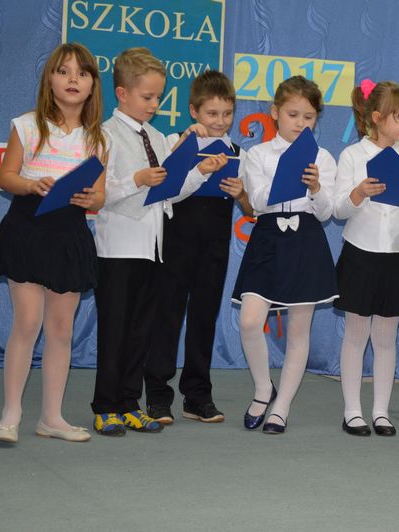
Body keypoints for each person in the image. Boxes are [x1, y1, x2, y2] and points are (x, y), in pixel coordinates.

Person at [91, 47, 227, 437]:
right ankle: (105, 406)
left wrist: (200, 171)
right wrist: (136, 179)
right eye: (147, 97)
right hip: (118, 248)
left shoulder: (155, 137)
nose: (154, 104)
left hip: (153, 248)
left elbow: (171, 191)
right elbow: (99, 194)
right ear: (121, 94)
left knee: (140, 331)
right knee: (115, 330)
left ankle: (129, 403)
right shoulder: (104, 134)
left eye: (158, 97)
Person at [0, 43, 107, 444]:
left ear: (93, 85)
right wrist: (30, 184)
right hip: (28, 227)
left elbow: (100, 196)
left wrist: (90, 198)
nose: (73, 79)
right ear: (49, 80)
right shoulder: (27, 125)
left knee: (61, 328)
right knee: (28, 322)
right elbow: (6, 177)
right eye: (63, 71)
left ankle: (51, 418)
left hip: (69, 233)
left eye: (82, 73)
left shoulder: (97, 138)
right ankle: (10, 414)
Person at [143, 70, 252, 425]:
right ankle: (157, 395)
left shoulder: (238, 154)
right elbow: (164, 185)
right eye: (211, 113)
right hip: (175, 244)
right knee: (167, 316)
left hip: (214, 248)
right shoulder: (175, 140)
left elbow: (251, 209)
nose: (220, 121)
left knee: (204, 318)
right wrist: (188, 145)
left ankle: (198, 396)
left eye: (227, 114)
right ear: (194, 111)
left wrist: (241, 195)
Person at [232, 75, 338, 434]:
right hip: (268, 238)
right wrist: (287, 176)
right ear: (275, 112)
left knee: (298, 330)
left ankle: (282, 406)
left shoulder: (323, 157)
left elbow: (326, 212)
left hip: (305, 239)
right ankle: (264, 388)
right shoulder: (259, 154)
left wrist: (316, 187)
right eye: (293, 114)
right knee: (250, 321)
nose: (301, 123)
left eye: (309, 117)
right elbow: (258, 202)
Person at [334, 80, 399, 437]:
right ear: (376, 117)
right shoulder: (353, 156)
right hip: (360, 253)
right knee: (356, 334)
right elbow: (339, 209)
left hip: (396, 256)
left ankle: (381, 411)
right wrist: (359, 193)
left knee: (387, 337)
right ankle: (352, 411)